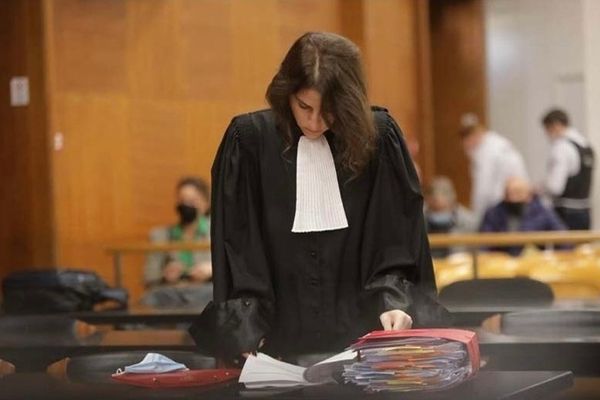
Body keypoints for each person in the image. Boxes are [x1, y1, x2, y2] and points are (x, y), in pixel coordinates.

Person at [189, 32, 447, 363]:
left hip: (367, 337)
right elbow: (240, 246)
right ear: (287, 95)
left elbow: (395, 236)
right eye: (304, 106)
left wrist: (395, 303)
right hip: (275, 340)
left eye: (330, 110)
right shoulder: (250, 141)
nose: (315, 122)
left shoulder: (379, 137)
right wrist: (245, 326)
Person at [141, 177, 213, 308]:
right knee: (150, 298)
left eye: (193, 201)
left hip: (206, 291)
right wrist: (165, 275)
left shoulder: (219, 232)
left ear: (206, 203)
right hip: (173, 292)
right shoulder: (160, 235)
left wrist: (211, 271)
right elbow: (149, 277)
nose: (187, 205)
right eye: (182, 201)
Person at [480, 176, 566, 256]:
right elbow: (484, 242)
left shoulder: (542, 212)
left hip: (533, 264)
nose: (512, 198)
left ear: (528, 195)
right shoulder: (494, 213)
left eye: (517, 193)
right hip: (501, 264)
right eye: (508, 194)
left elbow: (563, 238)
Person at [460, 124, 529, 221]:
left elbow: (482, 189)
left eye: (466, 142)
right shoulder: (500, 143)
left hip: (499, 205)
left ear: (474, 136)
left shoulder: (485, 151)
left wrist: (476, 217)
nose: (466, 147)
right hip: (518, 200)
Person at [541, 109, 595, 230]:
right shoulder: (586, 145)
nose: (547, 135)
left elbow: (555, 187)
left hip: (565, 214)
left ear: (555, 126)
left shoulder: (561, 147)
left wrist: (540, 188)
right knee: (582, 248)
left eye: (547, 130)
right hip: (585, 211)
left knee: (565, 249)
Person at [424, 176, 478, 258]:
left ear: (452, 200)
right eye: (435, 210)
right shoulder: (419, 219)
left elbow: (474, 251)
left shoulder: (468, 221)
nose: (438, 213)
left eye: (442, 209)